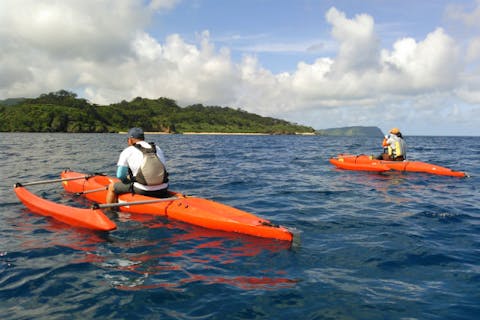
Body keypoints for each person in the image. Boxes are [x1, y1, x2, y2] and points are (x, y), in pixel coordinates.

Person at [106, 127, 169, 204]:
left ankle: (109, 212)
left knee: (111, 187)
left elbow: (120, 175)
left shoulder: (128, 151)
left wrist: (128, 181)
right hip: (163, 189)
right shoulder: (157, 148)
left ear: (130, 139)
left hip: (142, 190)